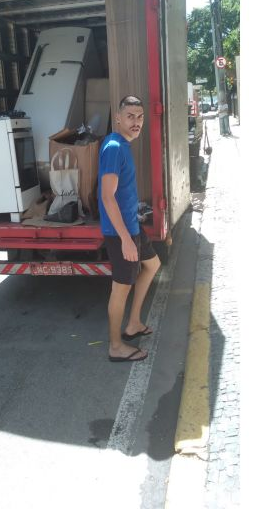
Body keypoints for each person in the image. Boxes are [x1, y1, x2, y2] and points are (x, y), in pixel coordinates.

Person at [98, 95, 161, 363]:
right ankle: (115, 346)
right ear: (118, 118)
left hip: (131, 226)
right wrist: (125, 239)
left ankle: (133, 323)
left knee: (153, 264)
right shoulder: (114, 147)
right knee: (121, 288)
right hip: (119, 232)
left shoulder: (122, 145)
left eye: (140, 117)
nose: (136, 122)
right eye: (130, 116)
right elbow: (107, 196)